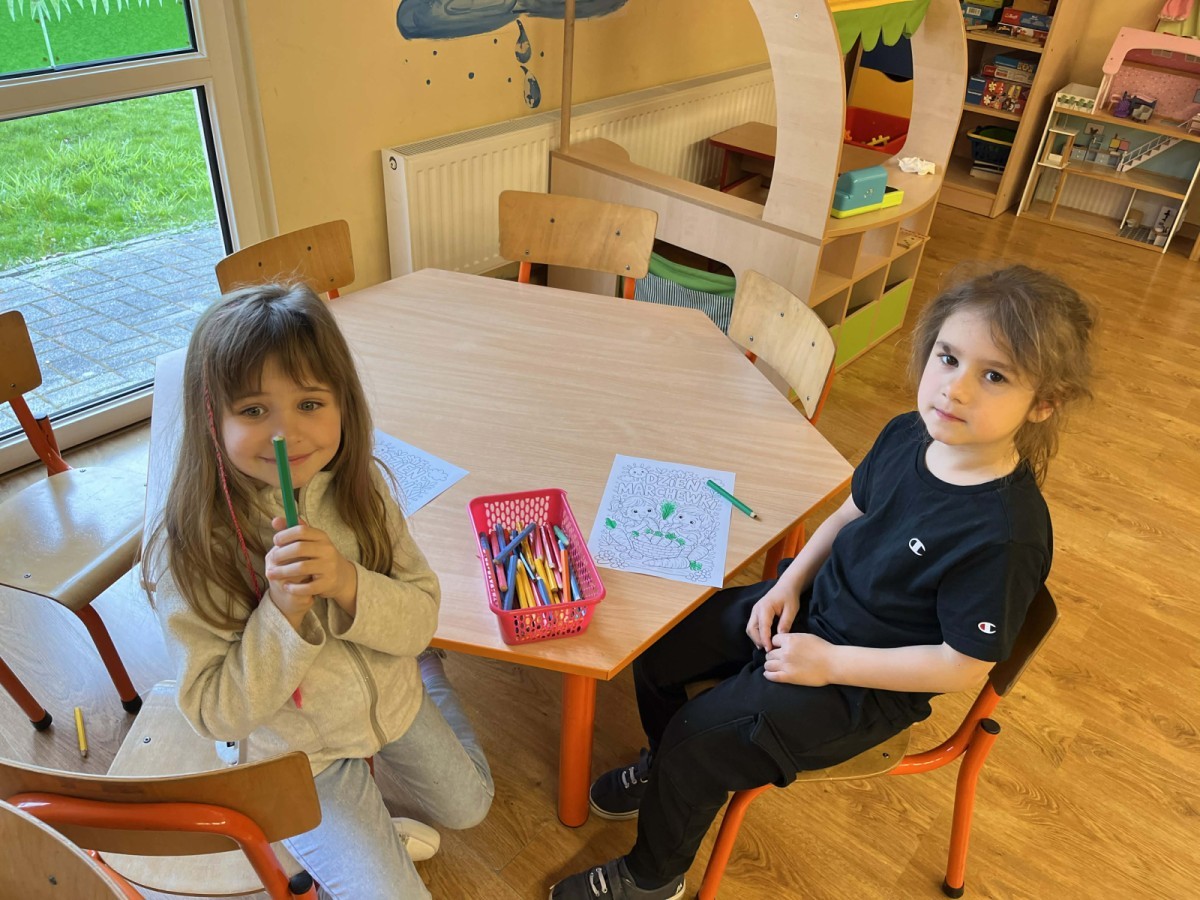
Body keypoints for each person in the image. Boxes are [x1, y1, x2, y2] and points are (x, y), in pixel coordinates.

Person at [549, 264, 1095, 900]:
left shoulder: (1005, 535)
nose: (956, 389)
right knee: (660, 646)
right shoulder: (908, 432)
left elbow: (961, 665)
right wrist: (787, 585)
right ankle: (665, 766)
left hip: (865, 684)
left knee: (701, 741)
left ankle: (652, 877)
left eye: (994, 376)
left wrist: (831, 662)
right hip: (811, 612)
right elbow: (848, 513)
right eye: (948, 358)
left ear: (1045, 402)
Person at [145, 283, 493, 900]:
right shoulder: (194, 549)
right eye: (254, 410)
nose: (286, 434)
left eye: (309, 403)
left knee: (472, 807)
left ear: (343, 403)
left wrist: (349, 582)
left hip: (392, 700)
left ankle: (431, 678)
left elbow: (419, 618)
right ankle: (363, 834)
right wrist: (281, 615)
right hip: (302, 758)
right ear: (210, 419)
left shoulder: (362, 489)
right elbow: (215, 712)